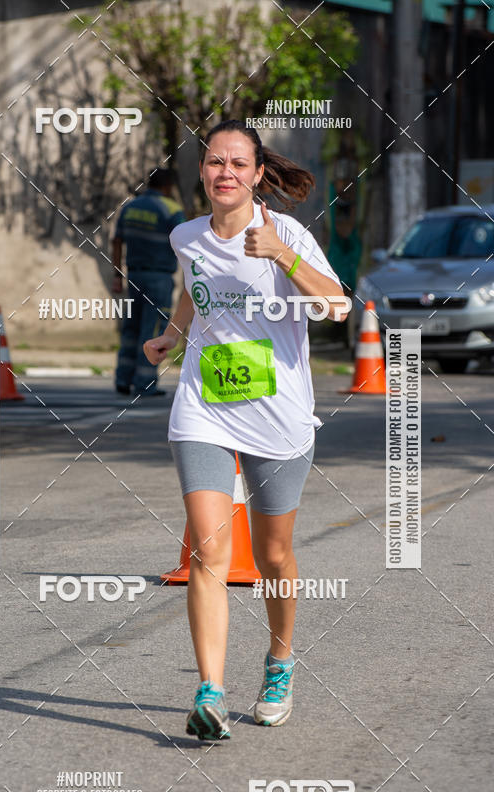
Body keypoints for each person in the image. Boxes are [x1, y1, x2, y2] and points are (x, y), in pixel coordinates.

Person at [143, 120, 349, 741]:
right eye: (214, 162)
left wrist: (282, 256)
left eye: (238, 163)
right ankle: (210, 691)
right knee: (209, 551)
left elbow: (336, 305)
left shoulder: (286, 233)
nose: (224, 172)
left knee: (273, 556)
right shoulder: (187, 235)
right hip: (204, 406)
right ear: (201, 172)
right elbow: (192, 290)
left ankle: (280, 662)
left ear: (258, 173)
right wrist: (172, 337)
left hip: (278, 414)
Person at [112, 169, 185, 397]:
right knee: (153, 329)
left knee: (131, 328)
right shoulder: (172, 210)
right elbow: (186, 243)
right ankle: (144, 382)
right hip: (159, 278)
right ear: (168, 186)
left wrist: (117, 275)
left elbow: (117, 241)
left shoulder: (130, 207)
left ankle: (123, 379)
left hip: (134, 276)